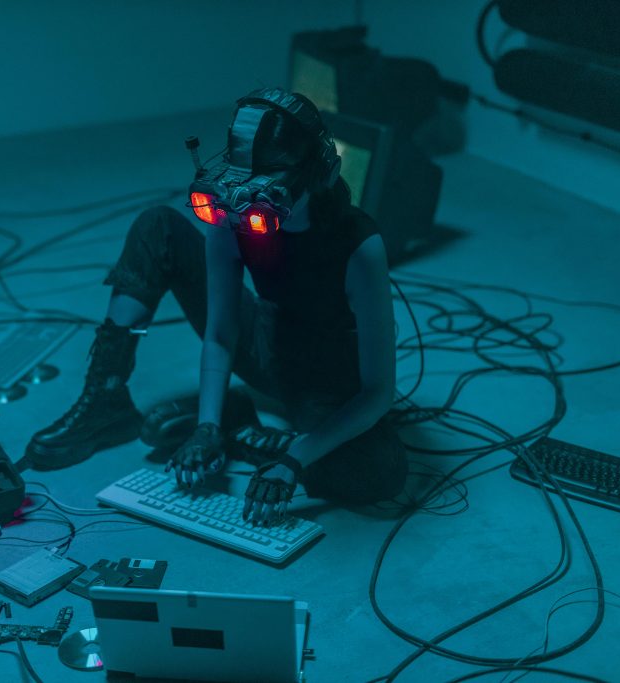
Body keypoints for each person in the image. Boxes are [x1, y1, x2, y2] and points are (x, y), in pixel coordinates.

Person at [25, 88, 407, 526]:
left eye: (267, 184)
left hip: (327, 384)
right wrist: (205, 426)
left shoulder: (359, 246)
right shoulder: (233, 210)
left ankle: (251, 432)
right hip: (266, 342)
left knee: (382, 474)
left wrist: (294, 460)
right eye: (240, 179)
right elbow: (222, 334)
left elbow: (377, 392)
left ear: (317, 172)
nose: (245, 206)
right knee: (159, 226)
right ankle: (107, 398)